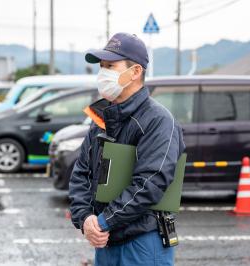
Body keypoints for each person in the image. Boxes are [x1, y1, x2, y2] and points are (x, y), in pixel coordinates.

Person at [69, 32, 185, 266]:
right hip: (107, 240)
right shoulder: (101, 118)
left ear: (135, 72)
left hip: (143, 241)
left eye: (110, 66)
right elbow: (81, 171)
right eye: (102, 66)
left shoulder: (158, 120)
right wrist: (86, 218)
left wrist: (102, 222)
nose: (103, 73)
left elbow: (150, 182)